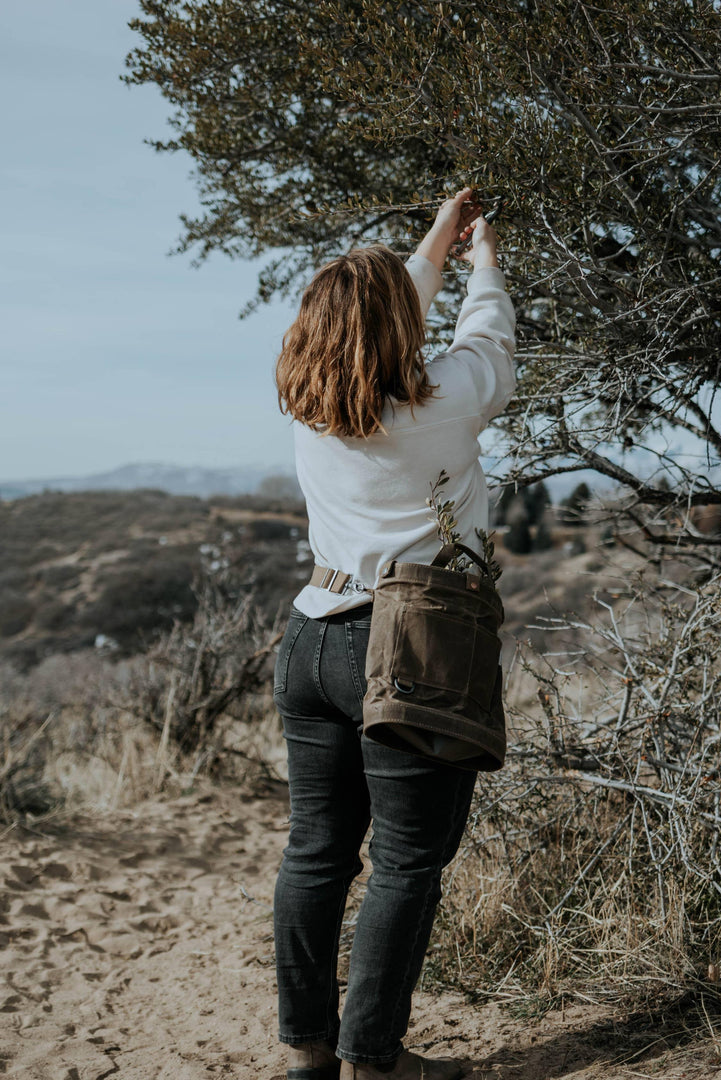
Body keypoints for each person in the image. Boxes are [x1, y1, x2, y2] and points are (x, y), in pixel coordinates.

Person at [272, 187, 517, 1080]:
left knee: (316, 852)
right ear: (395, 328)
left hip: (311, 639)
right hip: (409, 645)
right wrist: (480, 263)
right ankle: (375, 1058)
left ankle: (309, 1053)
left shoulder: (308, 402)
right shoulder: (443, 397)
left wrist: (433, 247)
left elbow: (369, 322)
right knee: (407, 861)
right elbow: (489, 341)